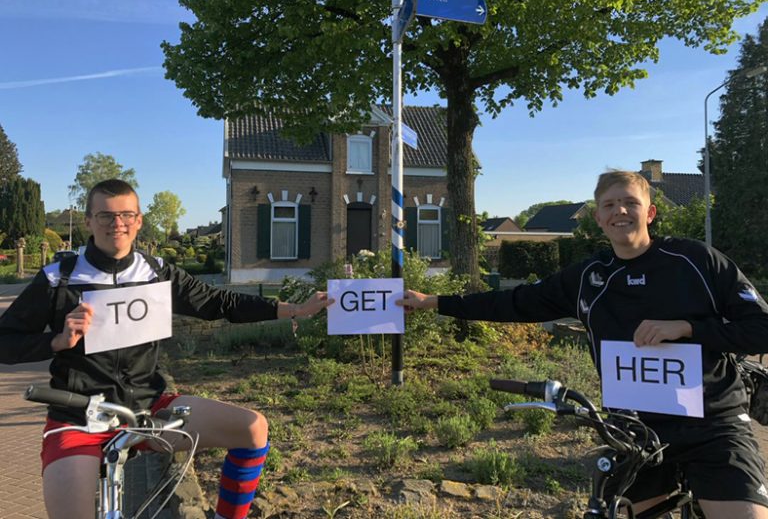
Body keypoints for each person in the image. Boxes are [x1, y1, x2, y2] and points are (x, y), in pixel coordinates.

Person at [399, 170, 768, 518]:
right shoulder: (590, 277)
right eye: (609, 205)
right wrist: (434, 301)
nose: (619, 211)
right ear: (597, 218)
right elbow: (515, 302)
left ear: (650, 212)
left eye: (630, 203)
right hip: (636, 429)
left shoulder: (696, 260)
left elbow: (761, 328)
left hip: (713, 423)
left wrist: (687, 328)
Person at [0, 178, 333, 519]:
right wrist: (56, 341)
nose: (117, 224)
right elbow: (5, 342)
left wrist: (293, 309)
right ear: (88, 221)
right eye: (105, 216)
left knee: (252, 429)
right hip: (78, 417)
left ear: (139, 220)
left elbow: (220, 302)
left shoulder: (157, 272)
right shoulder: (59, 278)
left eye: (127, 215)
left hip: (147, 409)